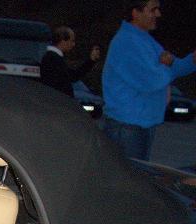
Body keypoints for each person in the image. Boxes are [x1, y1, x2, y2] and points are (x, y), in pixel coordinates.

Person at [102, 0, 196, 161]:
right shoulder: (126, 42)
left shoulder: (144, 40)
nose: (158, 14)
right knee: (129, 176)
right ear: (135, 13)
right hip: (127, 126)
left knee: (136, 174)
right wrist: (165, 65)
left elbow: (172, 67)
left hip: (139, 125)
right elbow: (152, 80)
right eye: (153, 10)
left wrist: (191, 61)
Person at [40, 26, 100, 97]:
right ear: (63, 41)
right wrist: (90, 61)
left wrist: (91, 60)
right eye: (72, 41)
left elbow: (73, 75)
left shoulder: (52, 57)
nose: (73, 44)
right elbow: (72, 76)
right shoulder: (53, 59)